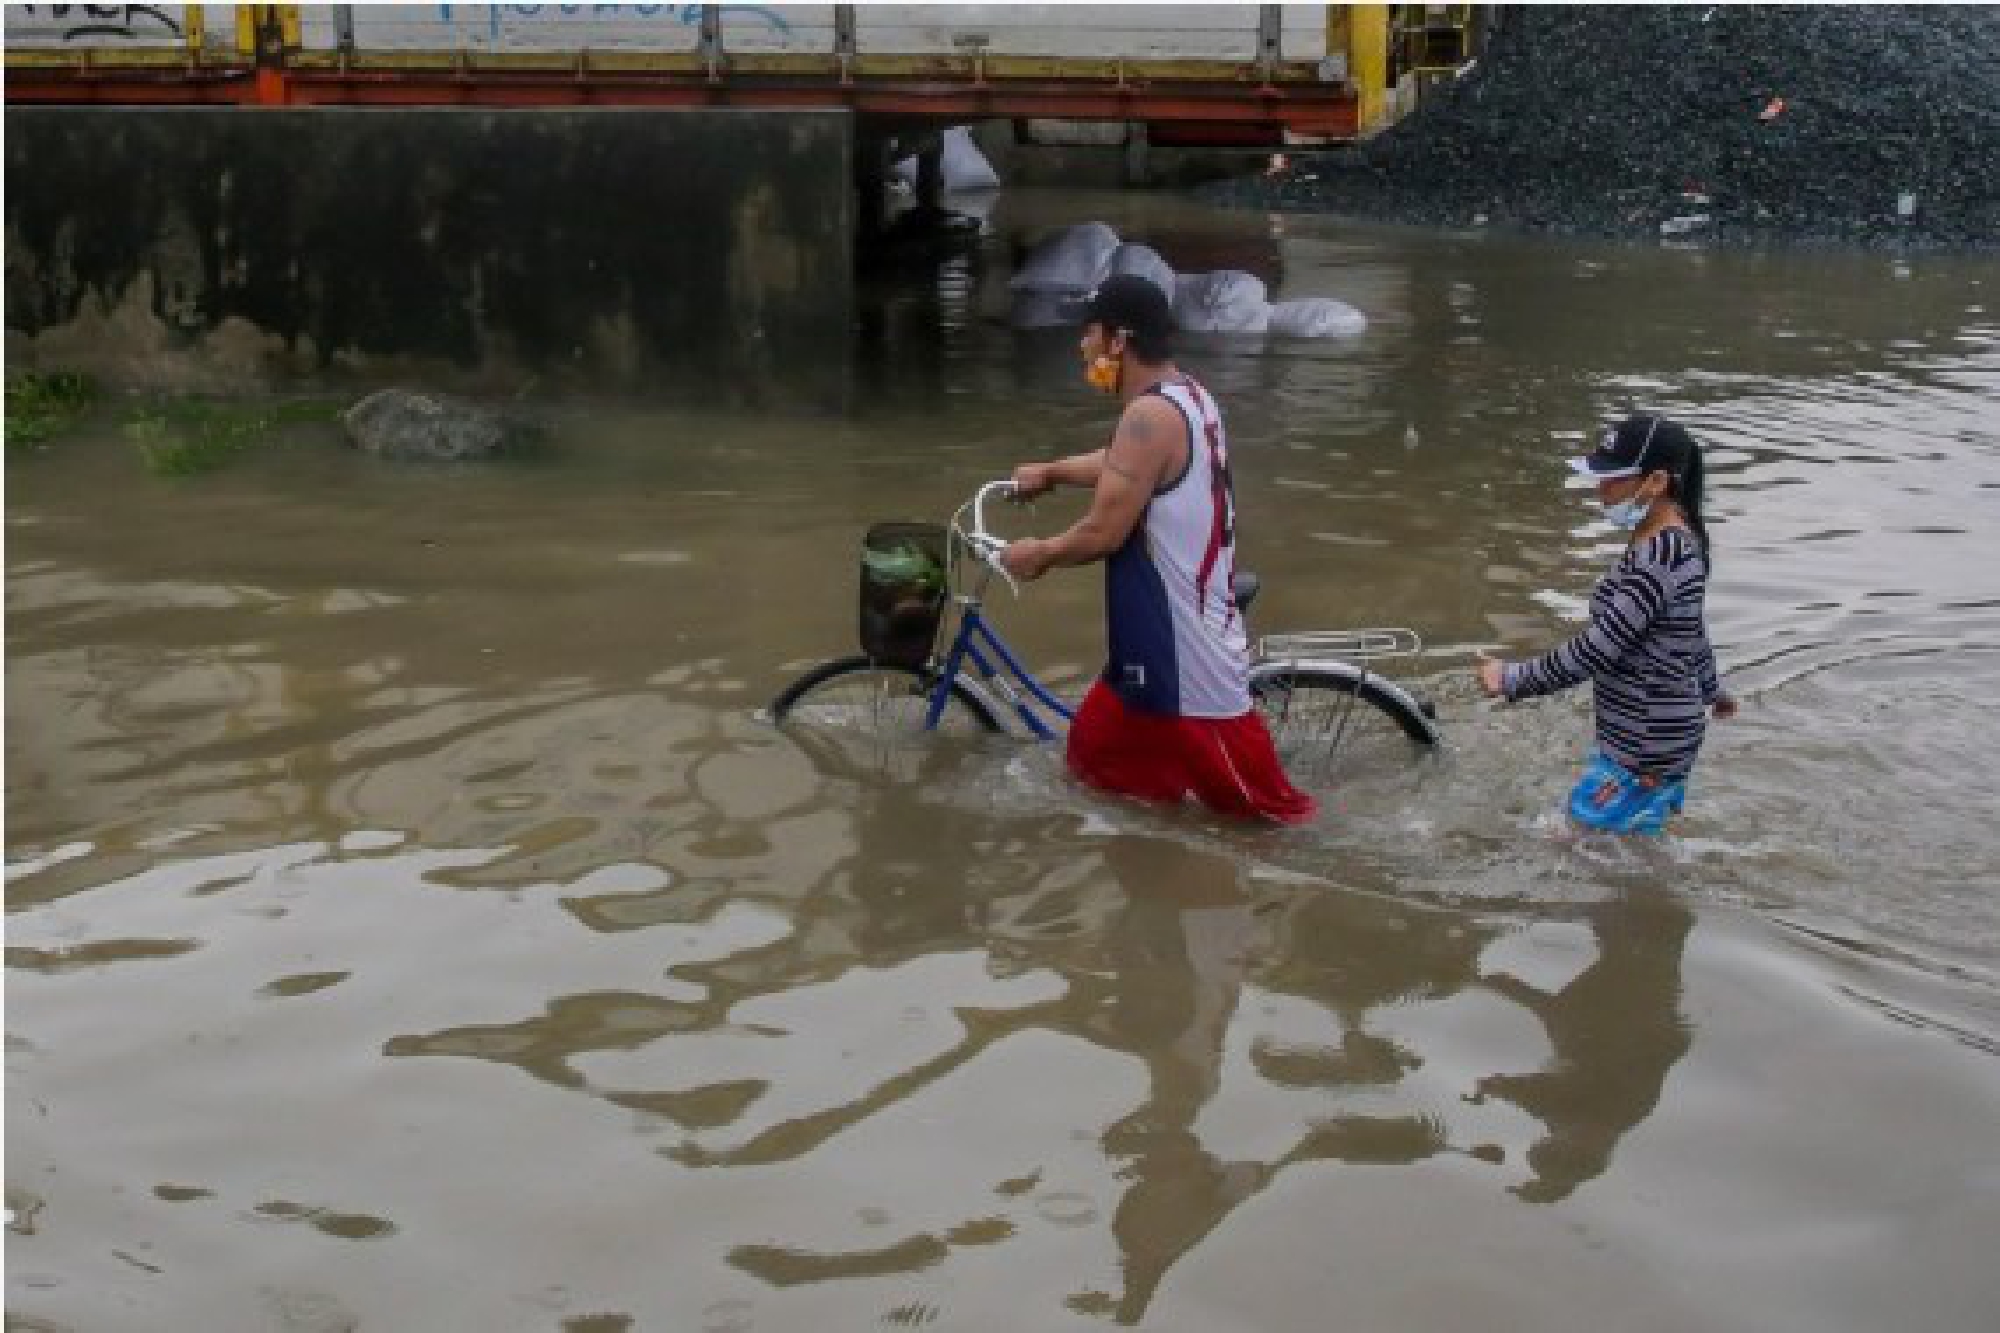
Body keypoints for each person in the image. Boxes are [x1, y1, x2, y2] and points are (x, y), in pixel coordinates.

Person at [1000, 274, 1315, 825]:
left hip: (1187, 667)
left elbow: (1103, 533)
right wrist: (1052, 472)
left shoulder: (1148, 417)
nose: (1082, 346)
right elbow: (1124, 465)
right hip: (1143, 651)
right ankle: (1150, 887)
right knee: (1092, 772)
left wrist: (1040, 554)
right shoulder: (1188, 396)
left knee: (1272, 827)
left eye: (1089, 333)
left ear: (1118, 341)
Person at [1478, 413, 1736, 833]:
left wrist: (1512, 678)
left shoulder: (1662, 555)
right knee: (1629, 847)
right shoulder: (1669, 542)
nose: (1601, 489)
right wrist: (1712, 689)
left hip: (1646, 741)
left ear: (1655, 482)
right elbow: (1690, 631)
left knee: (1575, 843)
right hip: (1658, 733)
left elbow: (1599, 646)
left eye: (1612, 478)